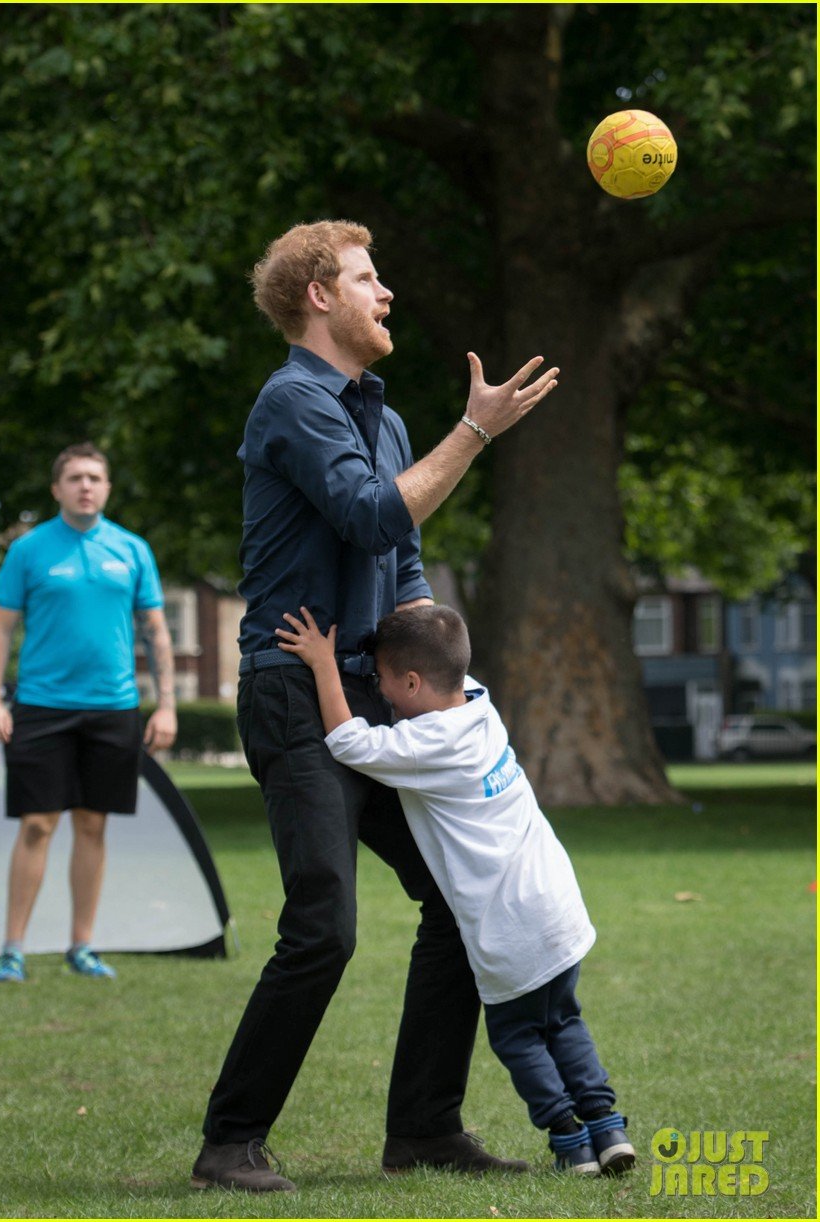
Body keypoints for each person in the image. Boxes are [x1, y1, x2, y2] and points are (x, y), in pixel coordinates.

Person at [191, 220, 559, 1193]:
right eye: (366, 278)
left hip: (380, 698)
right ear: (319, 296)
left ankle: (424, 1129)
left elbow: (401, 561)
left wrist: (440, 689)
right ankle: (229, 1143)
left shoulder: (383, 419)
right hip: (294, 691)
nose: (386, 292)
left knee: (460, 901)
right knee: (324, 927)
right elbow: (369, 515)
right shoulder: (293, 401)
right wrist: (475, 430)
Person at [277, 603, 636, 1178]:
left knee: (519, 1036)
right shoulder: (480, 705)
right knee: (564, 1022)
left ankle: (570, 1141)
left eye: (384, 680)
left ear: (411, 683)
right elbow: (443, 654)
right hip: (558, 908)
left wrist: (323, 663)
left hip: (509, 927)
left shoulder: (425, 744)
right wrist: (416, 610)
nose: (381, 692)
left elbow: (347, 742)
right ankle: (608, 1128)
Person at [0, 442, 177, 983]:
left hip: (114, 708)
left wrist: (166, 706)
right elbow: (0, 628)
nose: (85, 486)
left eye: (94, 477)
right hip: (41, 707)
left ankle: (81, 947)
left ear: (107, 488)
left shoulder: (133, 550)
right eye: (74, 478)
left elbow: (156, 631)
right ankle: (12, 950)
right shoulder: (28, 550)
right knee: (37, 825)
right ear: (57, 489)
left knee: (93, 826)